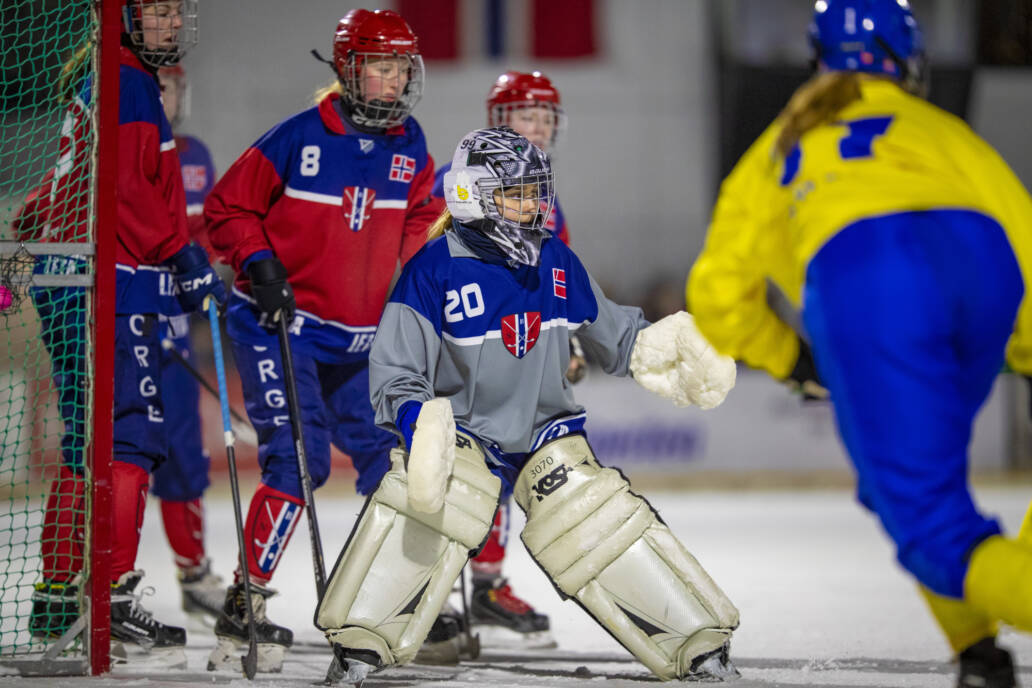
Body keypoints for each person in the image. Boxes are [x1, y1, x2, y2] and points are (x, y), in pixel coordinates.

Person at [315, 126, 740, 685]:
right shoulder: (434, 269)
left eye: (535, 192)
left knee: (597, 518)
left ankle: (696, 644)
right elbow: (396, 369)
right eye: (516, 194)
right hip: (466, 434)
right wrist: (418, 422)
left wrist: (664, 348)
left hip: (545, 433)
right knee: (426, 506)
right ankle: (361, 643)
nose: (533, 206)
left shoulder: (555, 260)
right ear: (471, 194)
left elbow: (616, 336)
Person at [686, 2, 1032, 687]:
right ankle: (978, 653)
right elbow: (1021, 229)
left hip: (871, 281)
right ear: (907, 64)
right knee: (903, 490)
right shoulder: (941, 129)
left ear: (817, 61)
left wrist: (793, 359)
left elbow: (717, 294)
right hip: (981, 265)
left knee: (926, 520)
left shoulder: (779, 146)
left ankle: (986, 632)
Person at [203, 8, 442, 673]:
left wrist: (431, 293)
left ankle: (380, 597)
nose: (393, 81)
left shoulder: (411, 144)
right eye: (380, 67)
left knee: (394, 465)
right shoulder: (298, 136)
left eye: (401, 68)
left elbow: (421, 222)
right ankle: (244, 604)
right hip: (282, 329)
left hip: (358, 343)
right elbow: (226, 208)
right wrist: (259, 263)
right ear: (348, 69)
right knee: (297, 463)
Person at [18, 0, 226, 664]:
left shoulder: (100, 77)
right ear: (127, 17)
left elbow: (42, 204)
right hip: (112, 283)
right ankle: (109, 595)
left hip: (72, 280)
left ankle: (57, 598)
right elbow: (131, 192)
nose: (173, 23)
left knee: (86, 444)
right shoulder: (131, 81)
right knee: (132, 437)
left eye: (176, 12)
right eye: (159, 11)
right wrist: (187, 260)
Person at [427, 71, 578, 648]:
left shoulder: (546, 198)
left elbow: (553, 282)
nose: (536, 127)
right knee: (451, 473)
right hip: (462, 352)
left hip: (515, 355)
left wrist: (565, 343)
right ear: (498, 121)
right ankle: (432, 590)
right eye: (525, 115)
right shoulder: (458, 183)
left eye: (545, 117)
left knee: (505, 467)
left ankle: (485, 589)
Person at [152, 63, 225, 623]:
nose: (165, 96)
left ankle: (194, 574)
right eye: (156, 86)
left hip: (176, 336)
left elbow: (207, 237)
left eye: (172, 86)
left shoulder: (195, 155)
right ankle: (104, 582)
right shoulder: (107, 153)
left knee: (184, 455)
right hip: (120, 331)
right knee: (121, 457)